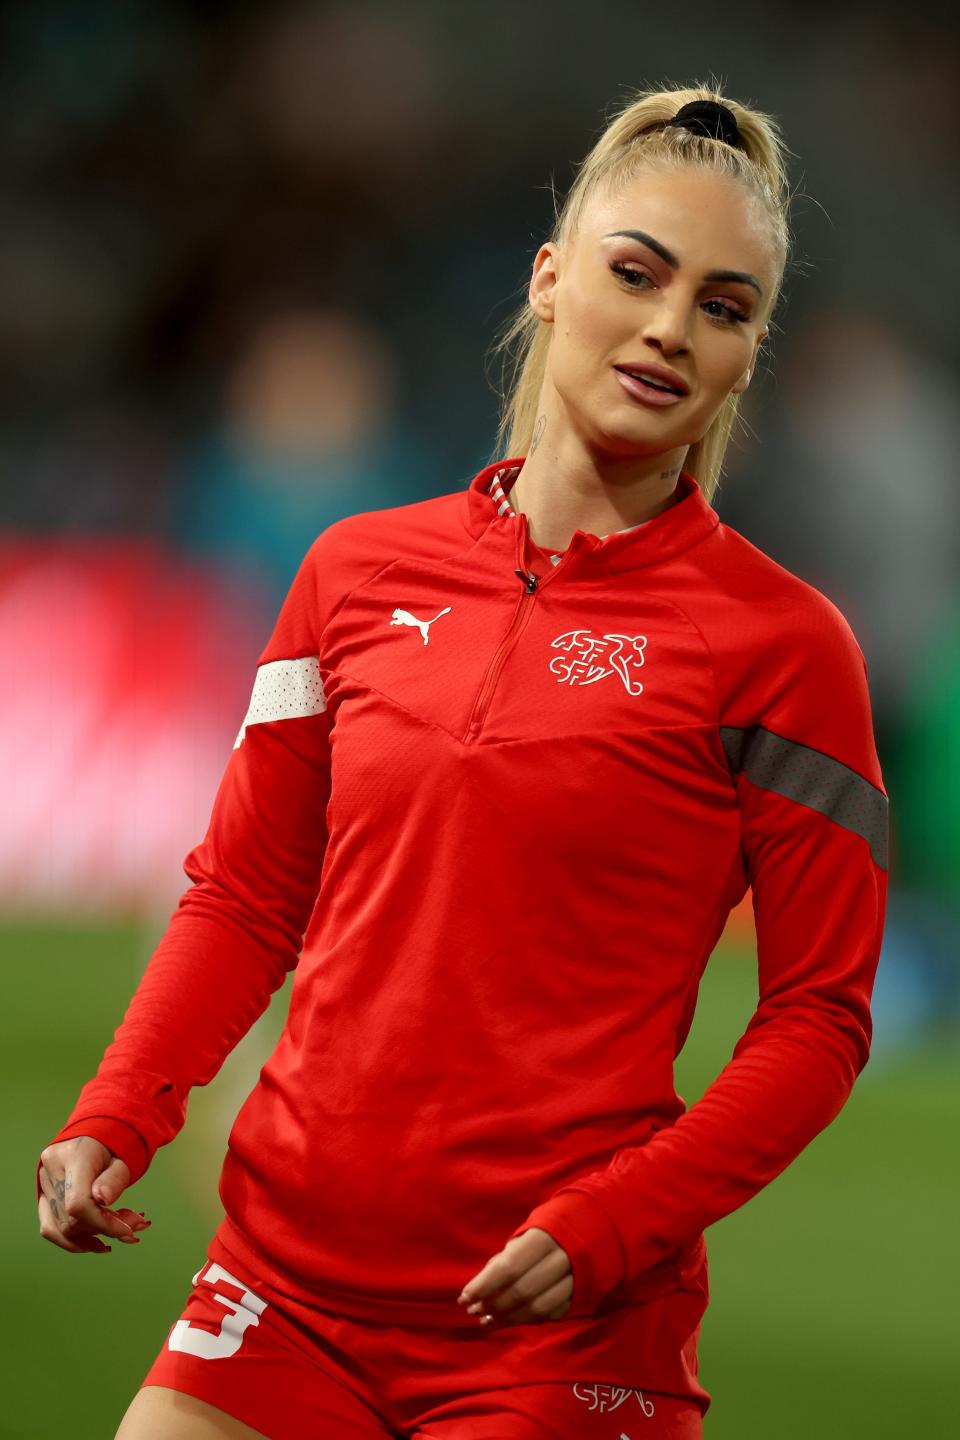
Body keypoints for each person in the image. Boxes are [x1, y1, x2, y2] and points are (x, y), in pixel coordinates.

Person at [36, 83, 889, 1440]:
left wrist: (621, 1219)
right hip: (282, 1284)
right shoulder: (352, 573)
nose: (671, 327)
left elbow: (820, 1018)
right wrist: (118, 1110)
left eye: (724, 308)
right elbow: (248, 893)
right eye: (637, 274)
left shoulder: (787, 648)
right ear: (552, 280)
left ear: (747, 354)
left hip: (557, 1329)